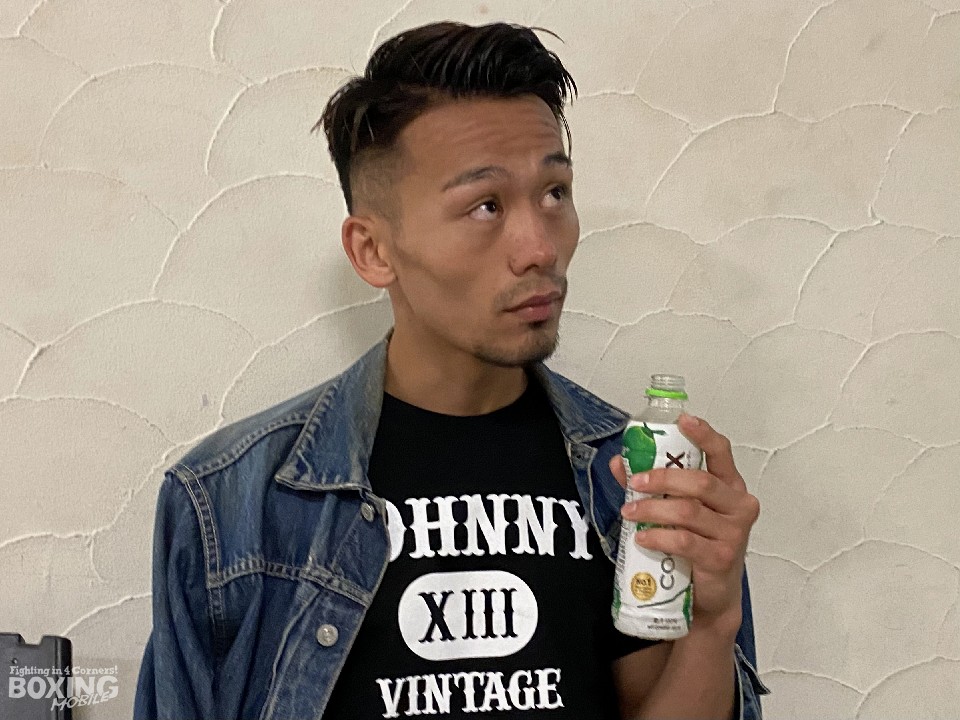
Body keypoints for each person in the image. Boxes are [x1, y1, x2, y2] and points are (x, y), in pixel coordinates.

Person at [134, 21, 769, 720]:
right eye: (485, 205)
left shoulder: (630, 478)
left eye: (555, 193)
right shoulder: (232, 500)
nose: (539, 247)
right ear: (374, 251)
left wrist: (712, 626)